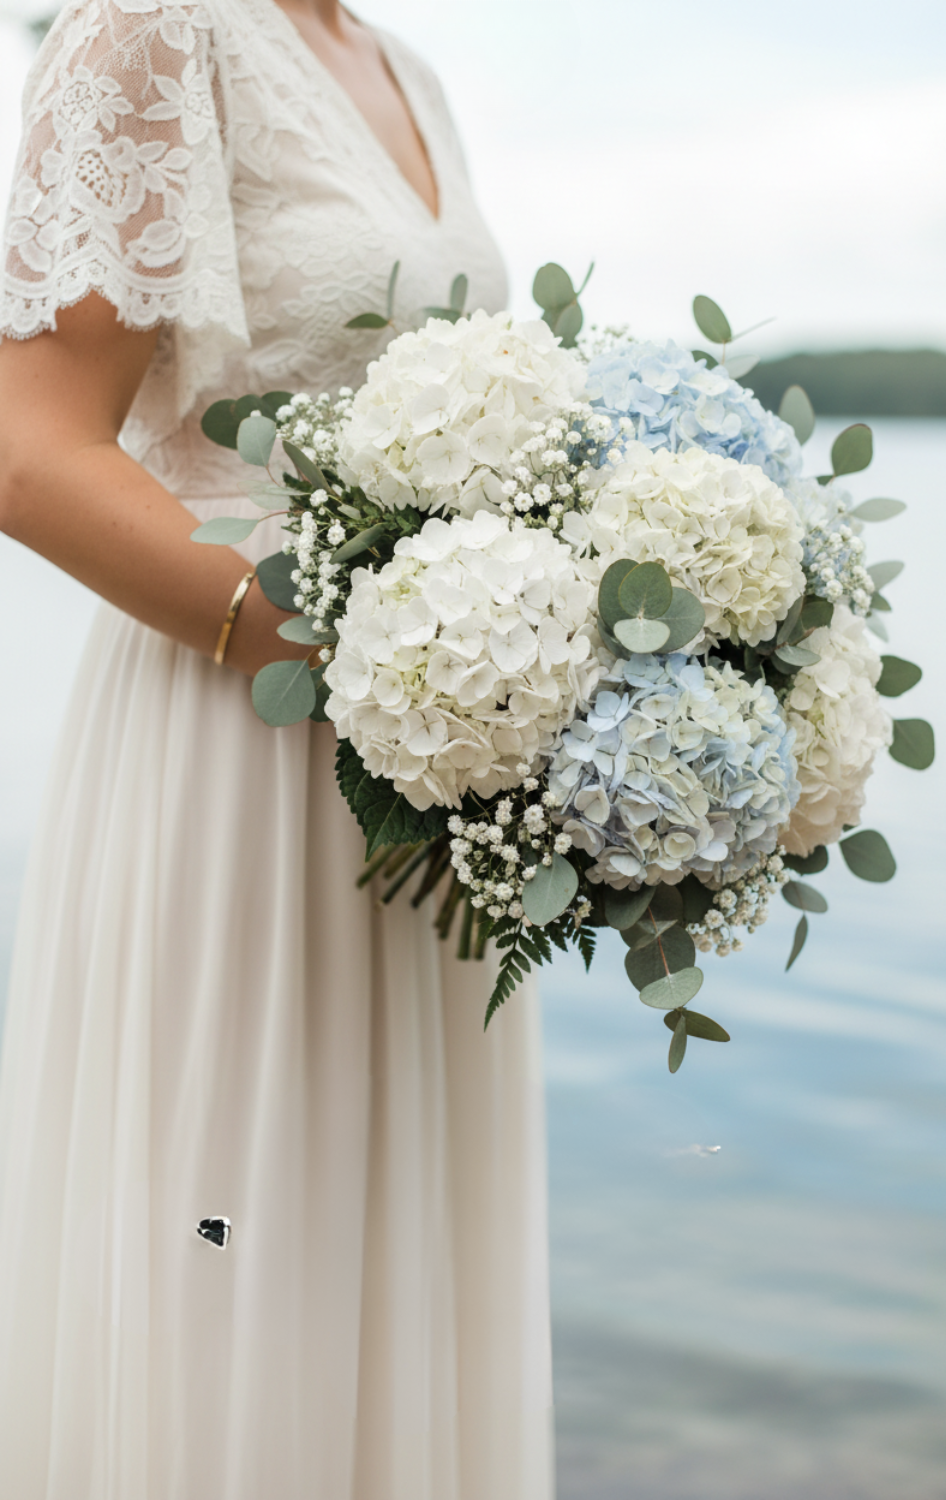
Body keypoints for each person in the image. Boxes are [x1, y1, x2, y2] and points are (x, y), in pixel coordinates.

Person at [0, 1, 553, 1494]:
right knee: (234, 1257)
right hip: (242, 736)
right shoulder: (151, 24)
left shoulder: (410, 72)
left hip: (431, 779)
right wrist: (315, 642)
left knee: (394, 1271)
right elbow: (28, 446)